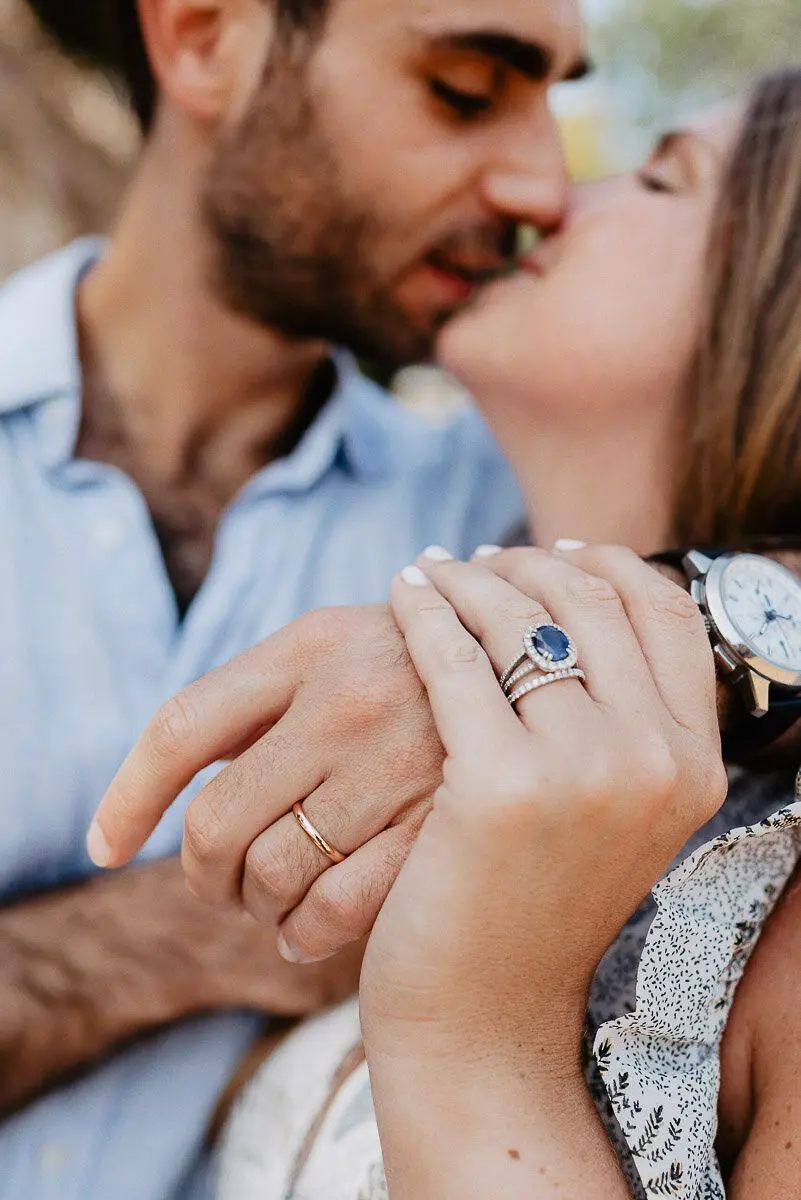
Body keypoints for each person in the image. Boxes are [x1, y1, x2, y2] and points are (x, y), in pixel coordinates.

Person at [95, 69, 801, 1198]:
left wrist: (477, 1031)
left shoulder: (779, 908)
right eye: (464, 89)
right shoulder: (418, 537)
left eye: (662, 176)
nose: (553, 191)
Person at [0, 0, 610, 1194]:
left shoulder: (511, 526)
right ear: (205, 37)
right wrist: (205, 926)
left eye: (559, 103)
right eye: (468, 90)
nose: (545, 183)